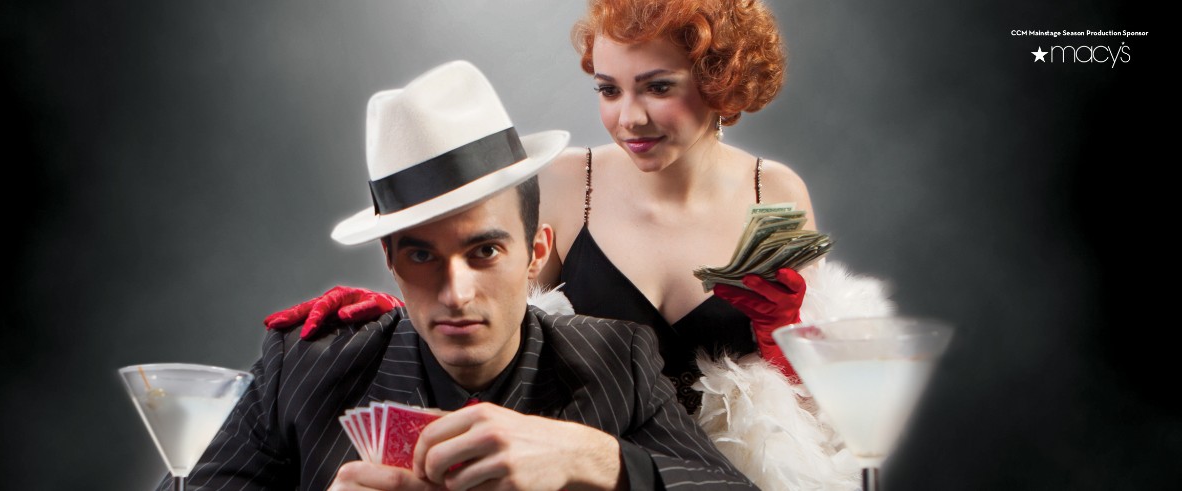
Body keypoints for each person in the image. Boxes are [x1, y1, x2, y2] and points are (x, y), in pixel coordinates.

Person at [267, 2, 894, 489]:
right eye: (609, 89)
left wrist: (787, 346)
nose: (630, 118)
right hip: (579, 475)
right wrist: (395, 322)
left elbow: (820, 422)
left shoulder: (775, 193)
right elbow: (501, 325)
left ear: (717, 78)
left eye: (657, 87)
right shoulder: (569, 182)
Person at [164, 60, 757, 491]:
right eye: (422, 256)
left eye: (484, 252)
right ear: (390, 265)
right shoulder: (305, 368)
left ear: (535, 253)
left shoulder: (615, 361)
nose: (455, 293)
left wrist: (601, 459)